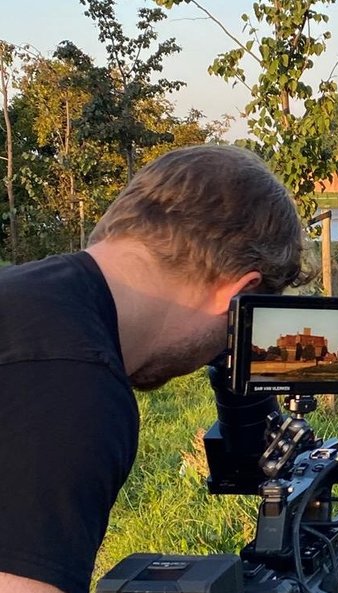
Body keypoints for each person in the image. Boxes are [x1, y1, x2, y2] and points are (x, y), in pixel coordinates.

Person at [0, 145, 306, 593]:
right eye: (235, 334)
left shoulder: (23, 295)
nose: (222, 353)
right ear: (240, 294)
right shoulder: (74, 388)